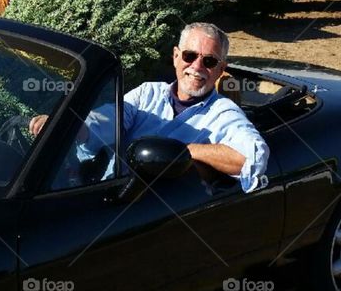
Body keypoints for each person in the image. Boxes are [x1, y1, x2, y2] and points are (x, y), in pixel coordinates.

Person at [29, 22, 269, 193]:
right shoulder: (148, 93)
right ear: (175, 56)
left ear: (220, 68)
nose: (197, 67)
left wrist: (184, 152)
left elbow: (253, 158)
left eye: (209, 61)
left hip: (155, 217)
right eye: (189, 56)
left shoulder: (223, 113)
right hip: (105, 192)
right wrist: (70, 124)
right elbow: (110, 117)